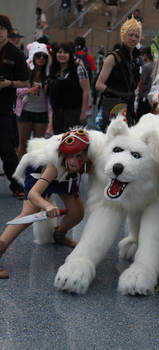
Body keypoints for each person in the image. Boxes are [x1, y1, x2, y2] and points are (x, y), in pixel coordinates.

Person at [0, 128, 90, 278]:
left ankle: (59, 235)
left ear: (86, 155)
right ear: (63, 154)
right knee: (28, 214)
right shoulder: (55, 163)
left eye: (79, 156)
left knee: (77, 213)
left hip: (66, 177)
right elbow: (34, 194)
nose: (74, 160)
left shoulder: (90, 160)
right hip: (39, 174)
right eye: (70, 156)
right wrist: (47, 205)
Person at [0, 14, 29, 199]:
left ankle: (18, 185)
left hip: (3, 110)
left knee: (7, 151)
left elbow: (25, 82)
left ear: (7, 32)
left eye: (1, 30)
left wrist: (8, 84)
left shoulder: (16, 54)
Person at [95, 16, 141, 131]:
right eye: (130, 35)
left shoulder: (135, 60)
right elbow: (98, 84)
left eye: (137, 36)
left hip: (128, 107)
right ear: (124, 35)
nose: (133, 38)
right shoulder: (113, 57)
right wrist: (117, 93)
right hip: (112, 106)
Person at [15, 42, 50, 160]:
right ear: (33, 56)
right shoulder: (26, 71)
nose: (41, 59)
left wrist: (48, 88)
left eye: (44, 56)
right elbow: (16, 91)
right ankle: (19, 173)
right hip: (25, 111)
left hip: (42, 113)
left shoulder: (48, 74)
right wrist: (28, 91)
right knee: (23, 145)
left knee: (38, 147)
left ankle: (34, 175)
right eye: (38, 55)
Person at [48, 42, 90, 134]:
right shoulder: (53, 70)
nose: (62, 55)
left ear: (70, 55)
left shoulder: (78, 69)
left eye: (65, 52)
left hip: (74, 113)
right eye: (59, 52)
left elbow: (86, 91)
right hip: (58, 114)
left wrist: (83, 112)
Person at [136, 46, 153, 121]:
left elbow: (142, 82)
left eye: (143, 55)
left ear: (146, 55)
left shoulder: (146, 67)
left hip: (144, 96)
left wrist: (139, 95)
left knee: (140, 119)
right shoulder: (155, 65)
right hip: (151, 97)